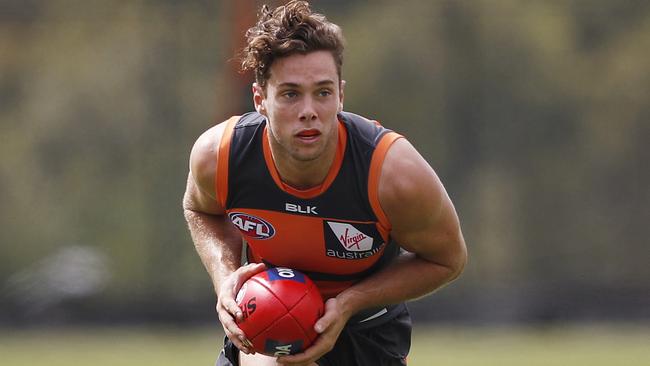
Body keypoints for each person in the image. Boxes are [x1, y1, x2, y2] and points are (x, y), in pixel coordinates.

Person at [182, 1, 467, 365]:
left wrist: (348, 303)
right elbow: (200, 209)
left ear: (341, 95)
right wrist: (225, 279)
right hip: (267, 322)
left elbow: (448, 260)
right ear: (260, 100)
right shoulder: (220, 156)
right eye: (289, 94)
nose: (308, 111)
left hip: (366, 331)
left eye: (322, 92)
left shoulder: (392, 173)